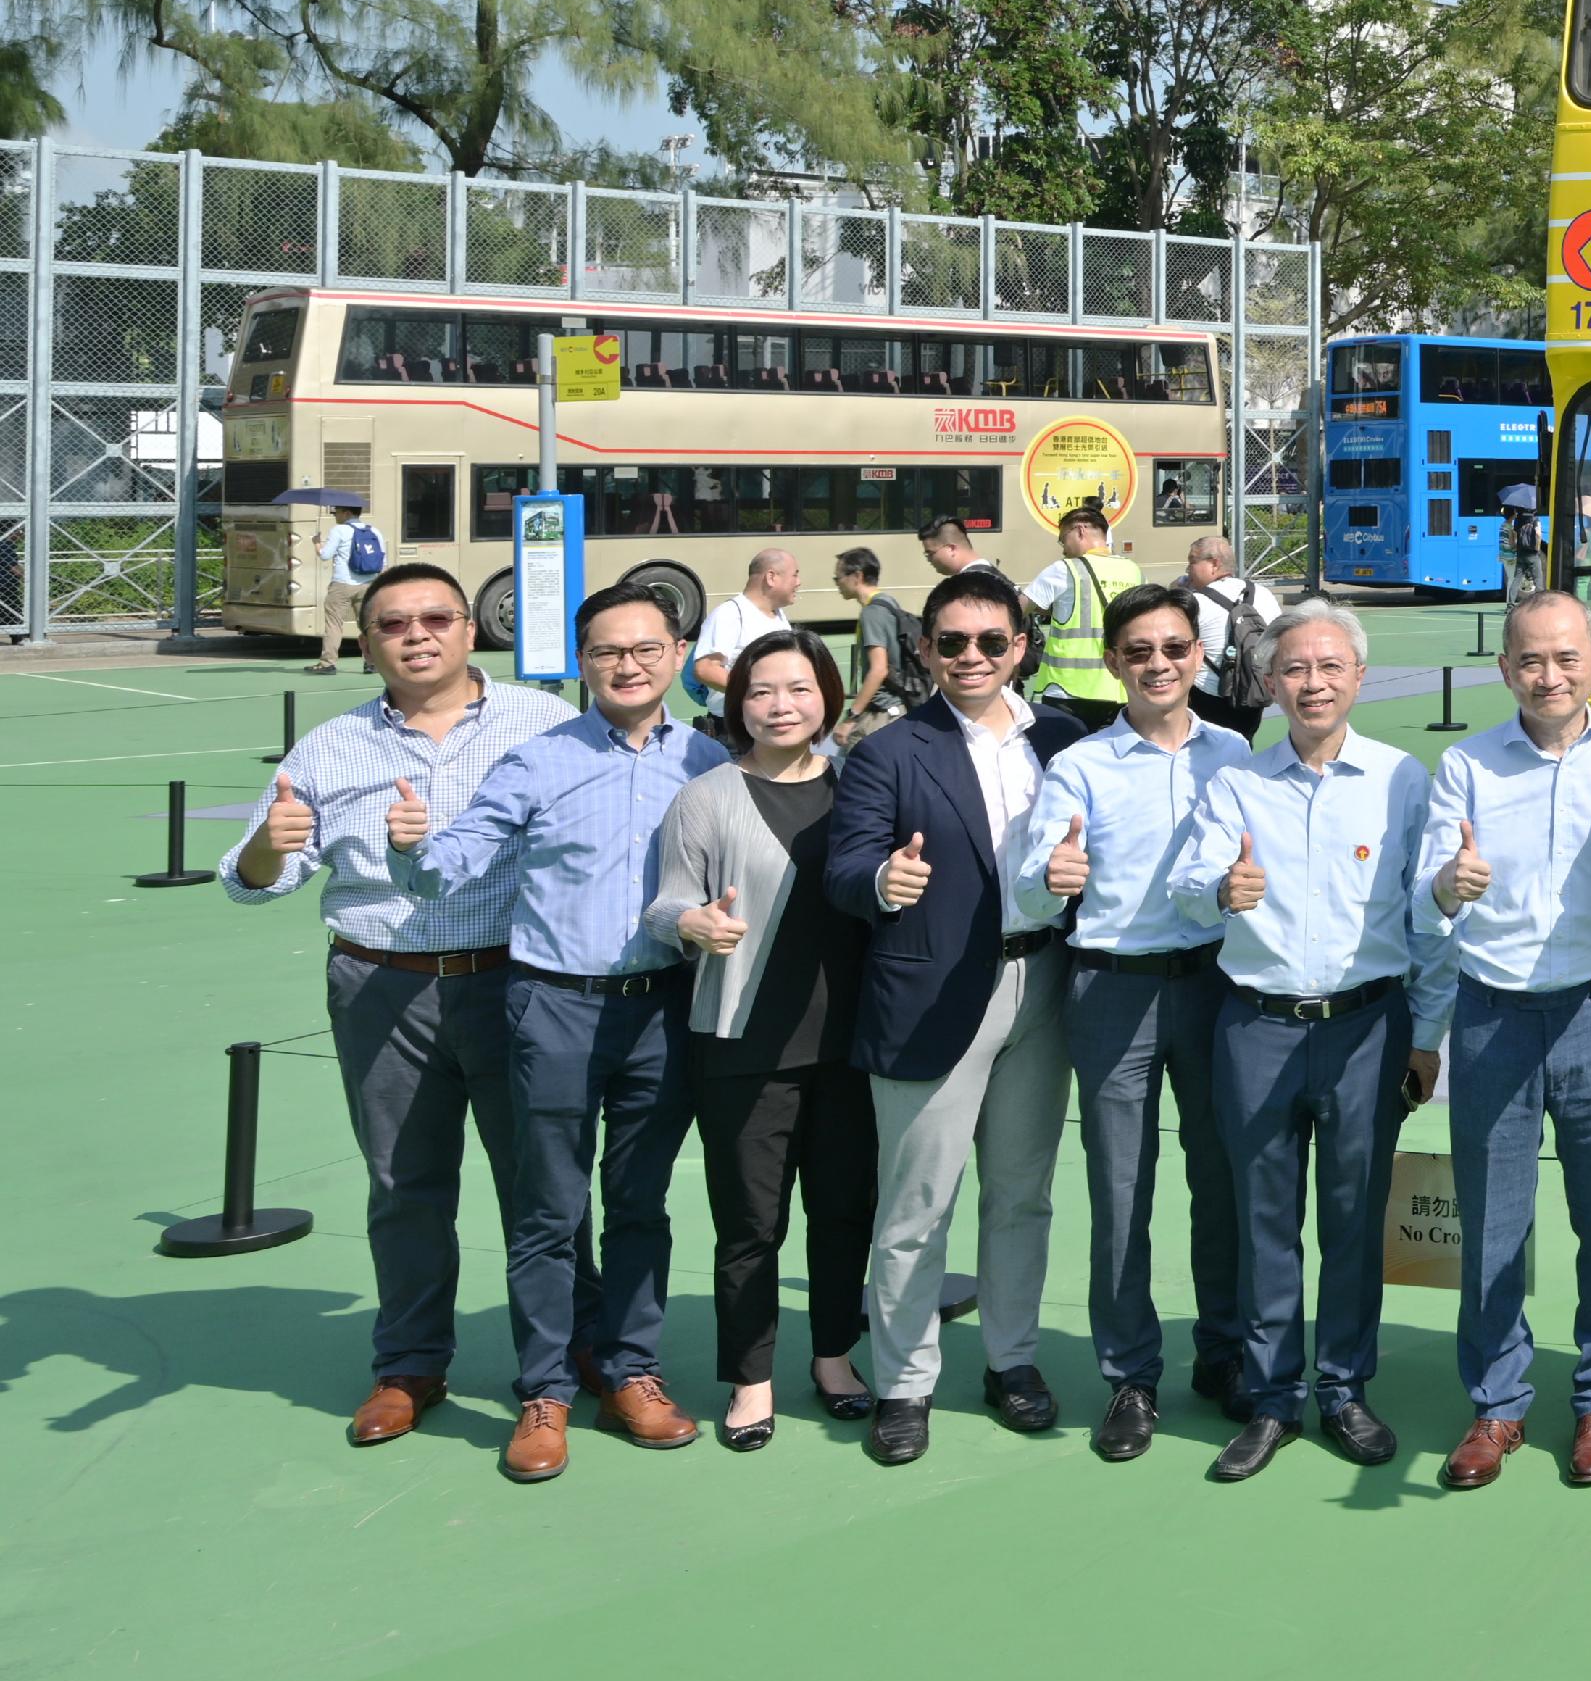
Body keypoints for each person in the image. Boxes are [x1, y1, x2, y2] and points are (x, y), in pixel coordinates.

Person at [227, 561, 576, 1447]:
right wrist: (272, 848)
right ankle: (410, 1366)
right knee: (404, 1185)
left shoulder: (547, 724)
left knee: (542, 1187)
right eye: (393, 624)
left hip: (518, 980)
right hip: (381, 984)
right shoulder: (330, 746)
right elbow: (253, 880)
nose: (416, 635)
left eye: (435, 618)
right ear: (370, 641)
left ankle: (560, 1372)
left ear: (468, 628)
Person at [392, 580, 731, 1483]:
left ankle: (630, 1368)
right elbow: (448, 866)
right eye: (608, 651)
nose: (628, 665)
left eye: (646, 649)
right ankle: (544, 1388)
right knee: (548, 1208)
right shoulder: (537, 761)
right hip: (553, 1005)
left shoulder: (706, 758)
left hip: (664, 1006)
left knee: (640, 1202)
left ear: (675, 652)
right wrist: (413, 845)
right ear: (582, 663)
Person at [1170, 605, 1451, 1484]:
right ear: (1269, 683)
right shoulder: (1237, 785)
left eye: (1330, 666)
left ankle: (1343, 1386)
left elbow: (1430, 921)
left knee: (1356, 1215)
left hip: (1370, 1025)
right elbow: (1184, 888)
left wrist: (1429, 1033)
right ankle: (1271, 1396)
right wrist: (1223, 886)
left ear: (1360, 677)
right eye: (1294, 668)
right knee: (1263, 1220)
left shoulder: (1405, 780)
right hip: (1256, 1023)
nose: (1314, 682)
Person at [828, 561, 1091, 1466]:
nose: (971, 656)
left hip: (1043, 984)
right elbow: (844, 865)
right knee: (917, 1203)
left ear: (1020, 647)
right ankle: (905, 1381)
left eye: (991, 640)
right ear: (924, 649)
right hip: (930, 991)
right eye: (952, 641)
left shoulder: (1064, 735)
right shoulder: (888, 751)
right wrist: (878, 880)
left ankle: (1011, 1358)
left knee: (1022, 1195)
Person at [1415, 591, 1591, 1493]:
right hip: (1492, 1013)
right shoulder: (1466, 765)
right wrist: (1448, 883)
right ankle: (1498, 1403)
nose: (1547, 675)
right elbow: (1427, 901)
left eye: (1565, 657)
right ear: (1505, 667)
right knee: (1490, 1221)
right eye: (1528, 660)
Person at [1012, 583, 1249, 1460]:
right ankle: (1130, 1374)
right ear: (1112, 662)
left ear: (1198, 655)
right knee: (1119, 1188)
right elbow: (1033, 881)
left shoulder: (1235, 751)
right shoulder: (1080, 765)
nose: (1158, 664)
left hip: (1218, 985)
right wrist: (1055, 875)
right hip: (1112, 988)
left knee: (1220, 1176)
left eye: (1175, 648)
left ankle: (1222, 1352)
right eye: (1139, 651)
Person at [647, 626, 876, 1451]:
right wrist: (692, 922)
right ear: (738, 702)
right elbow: (666, 901)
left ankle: (835, 1354)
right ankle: (751, 1377)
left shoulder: (860, 785)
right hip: (743, 1044)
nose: (781, 705)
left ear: (828, 699)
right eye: (762, 690)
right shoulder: (706, 797)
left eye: (800, 689)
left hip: (851, 1045)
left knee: (847, 1211)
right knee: (751, 1222)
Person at [1025, 502, 1141, 730]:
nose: (1063, 548)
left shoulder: (1065, 569)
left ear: (1080, 530)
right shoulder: (1133, 570)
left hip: (1067, 691)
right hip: (1119, 690)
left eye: (1062, 539)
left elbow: (1018, 608)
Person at [1178, 532, 1280, 741]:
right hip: (1254, 691)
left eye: (1192, 562)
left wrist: (1176, 593)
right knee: (1243, 745)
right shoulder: (1262, 593)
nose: (1188, 570)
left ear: (1214, 564)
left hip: (1210, 696)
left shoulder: (1196, 602)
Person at [688, 547, 800, 708]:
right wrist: (757, 694)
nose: (798, 582)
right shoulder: (730, 614)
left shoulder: (779, 616)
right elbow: (706, 669)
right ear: (771, 577)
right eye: (794, 575)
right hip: (737, 726)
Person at [829, 547, 917, 747]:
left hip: (881, 714)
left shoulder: (872, 613)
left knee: (855, 767)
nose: (837, 584)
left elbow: (879, 669)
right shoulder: (889, 603)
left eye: (838, 578)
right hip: (897, 709)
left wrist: (851, 717)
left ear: (857, 576)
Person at [310, 499, 379, 671]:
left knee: (334, 623)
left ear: (347, 513)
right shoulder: (374, 531)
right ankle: (372, 662)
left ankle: (328, 663)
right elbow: (382, 561)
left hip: (342, 584)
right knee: (366, 624)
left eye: (337, 512)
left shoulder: (339, 530)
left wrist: (317, 543)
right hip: (367, 584)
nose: (335, 515)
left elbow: (325, 555)